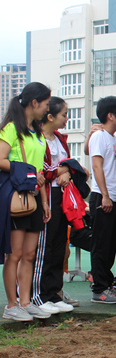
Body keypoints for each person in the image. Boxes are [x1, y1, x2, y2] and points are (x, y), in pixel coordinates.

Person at [0, 82, 52, 321]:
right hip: (16, 197)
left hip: (34, 198)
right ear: (34, 102)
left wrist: (45, 202)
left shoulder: (37, 132)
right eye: (46, 104)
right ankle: (11, 305)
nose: (47, 109)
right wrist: (28, 172)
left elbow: (40, 171)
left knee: (30, 254)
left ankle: (25, 302)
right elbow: (1, 159)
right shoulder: (11, 128)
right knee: (15, 254)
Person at [31, 96, 74, 315]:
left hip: (62, 196)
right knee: (44, 247)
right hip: (45, 196)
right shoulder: (38, 138)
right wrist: (65, 170)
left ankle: (53, 292)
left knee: (59, 245)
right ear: (49, 116)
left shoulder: (59, 138)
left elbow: (68, 165)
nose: (67, 118)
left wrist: (68, 172)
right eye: (64, 114)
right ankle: (38, 295)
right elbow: (44, 171)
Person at [88, 96, 116, 305]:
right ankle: (99, 289)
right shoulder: (99, 137)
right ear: (110, 115)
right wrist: (105, 195)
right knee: (101, 245)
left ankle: (108, 284)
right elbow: (97, 167)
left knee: (112, 245)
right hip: (103, 196)